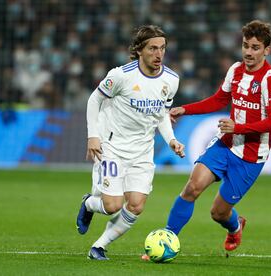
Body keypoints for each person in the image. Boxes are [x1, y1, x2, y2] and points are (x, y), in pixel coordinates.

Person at [161, 20, 271, 254]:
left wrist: (237, 127)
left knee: (218, 213)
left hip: (250, 156)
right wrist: (185, 109)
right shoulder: (236, 70)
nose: (248, 51)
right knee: (192, 188)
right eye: (246, 45)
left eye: (255, 47)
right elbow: (218, 100)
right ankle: (166, 240)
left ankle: (235, 226)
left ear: (267, 50)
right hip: (225, 144)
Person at [76, 25, 185, 260]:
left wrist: (172, 140)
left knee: (135, 205)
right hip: (112, 148)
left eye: (162, 48)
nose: (159, 54)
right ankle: (88, 204)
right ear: (139, 50)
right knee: (113, 205)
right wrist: (92, 135)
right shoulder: (121, 75)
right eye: (153, 48)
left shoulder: (171, 80)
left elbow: (162, 115)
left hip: (143, 152)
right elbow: (94, 100)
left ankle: (99, 246)